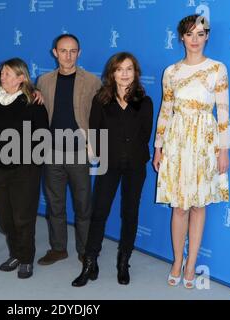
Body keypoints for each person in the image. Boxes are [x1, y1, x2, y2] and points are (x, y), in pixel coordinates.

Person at [152, 15, 230, 289]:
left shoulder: (217, 69)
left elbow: (222, 111)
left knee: (199, 205)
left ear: (207, 36)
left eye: (200, 34)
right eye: (189, 34)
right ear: (181, 38)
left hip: (205, 141)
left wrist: (223, 149)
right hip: (176, 140)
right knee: (179, 205)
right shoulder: (171, 72)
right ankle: (176, 260)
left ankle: (191, 262)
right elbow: (165, 110)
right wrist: (158, 147)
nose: (195, 39)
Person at [72, 52, 153, 287]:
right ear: (112, 73)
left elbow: (144, 135)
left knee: (130, 213)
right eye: (120, 69)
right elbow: (95, 131)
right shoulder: (101, 100)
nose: (125, 73)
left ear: (135, 73)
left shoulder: (144, 102)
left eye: (129, 69)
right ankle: (90, 262)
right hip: (108, 164)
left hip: (135, 166)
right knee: (99, 212)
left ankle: (123, 261)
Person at [36, 34, 101, 265]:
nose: (68, 55)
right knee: (55, 204)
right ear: (55, 52)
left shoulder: (92, 82)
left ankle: (85, 250)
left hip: (79, 152)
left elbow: (99, 117)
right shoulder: (43, 81)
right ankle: (58, 248)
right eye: (63, 51)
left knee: (83, 204)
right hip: (51, 152)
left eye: (73, 51)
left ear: (79, 53)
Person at [0, 58, 49, 279]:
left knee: (23, 217)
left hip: (25, 170)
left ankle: (26, 258)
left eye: (7, 73)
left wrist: (30, 164)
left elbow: (43, 138)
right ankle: (15, 252)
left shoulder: (33, 103)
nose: (2, 76)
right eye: (2, 73)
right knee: (5, 218)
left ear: (21, 78)